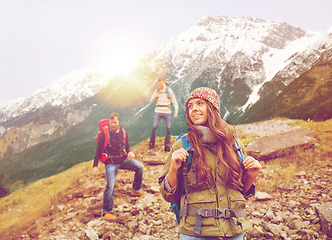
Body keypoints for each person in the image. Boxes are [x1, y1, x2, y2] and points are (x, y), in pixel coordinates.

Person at [158, 87, 261, 239]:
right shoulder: (182, 145)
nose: (194, 109)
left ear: (212, 108)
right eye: (190, 106)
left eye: (200, 103)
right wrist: (173, 169)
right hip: (195, 231)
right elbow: (168, 195)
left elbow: (241, 193)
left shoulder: (235, 145)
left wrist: (252, 176)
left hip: (234, 229)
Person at [92, 112, 144, 221]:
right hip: (110, 163)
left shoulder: (123, 133)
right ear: (109, 122)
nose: (113, 124)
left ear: (118, 122)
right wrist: (95, 166)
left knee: (140, 167)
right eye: (112, 122)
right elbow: (98, 150)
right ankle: (106, 211)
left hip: (122, 159)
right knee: (110, 185)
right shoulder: (104, 134)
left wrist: (130, 152)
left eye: (115, 122)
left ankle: (136, 189)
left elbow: (128, 147)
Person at [149, 77, 178, 152]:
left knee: (168, 128)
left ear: (164, 82)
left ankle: (167, 145)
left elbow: (174, 101)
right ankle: (151, 143)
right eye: (159, 84)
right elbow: (150, 101)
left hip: (167, 111)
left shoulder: (169, 90)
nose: (160, 85)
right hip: (158, 111)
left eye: (161, 83)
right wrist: (155, 96)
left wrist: (176, 111)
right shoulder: (157, 91)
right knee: (154, 127)